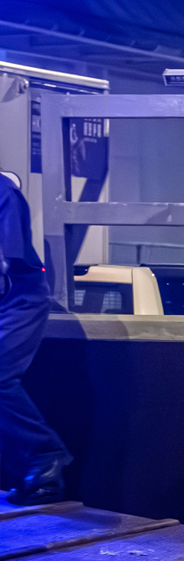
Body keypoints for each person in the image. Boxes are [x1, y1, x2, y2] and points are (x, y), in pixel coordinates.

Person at [0, 176, 71, 505]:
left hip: (19, 302)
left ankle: (45, 456)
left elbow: (5, 263)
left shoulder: (4, 193)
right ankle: (38, 472)